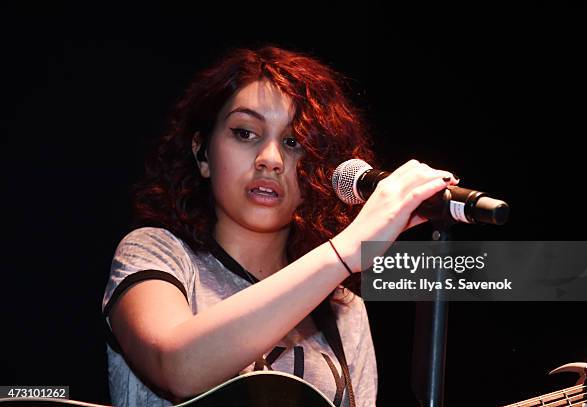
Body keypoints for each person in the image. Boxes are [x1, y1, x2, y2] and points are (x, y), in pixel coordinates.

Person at [101, 45, 459, 407]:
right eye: (245, 133)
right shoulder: (155, 253)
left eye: (293, 142)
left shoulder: (342, 308)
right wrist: (345, 250)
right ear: (202, 153)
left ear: (319, 171)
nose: (270, 160)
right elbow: (176, 368)